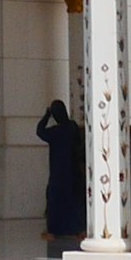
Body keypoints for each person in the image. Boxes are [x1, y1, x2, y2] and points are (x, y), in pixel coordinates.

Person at [36, 98, 86, 244]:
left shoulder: (55, 132)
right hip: (73, 171)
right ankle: (78, 229)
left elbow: (40, 131)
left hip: (58, 173)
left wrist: (46, 116)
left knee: (55, 201)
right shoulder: (72, 127)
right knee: (74, 201)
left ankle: (54, 230)